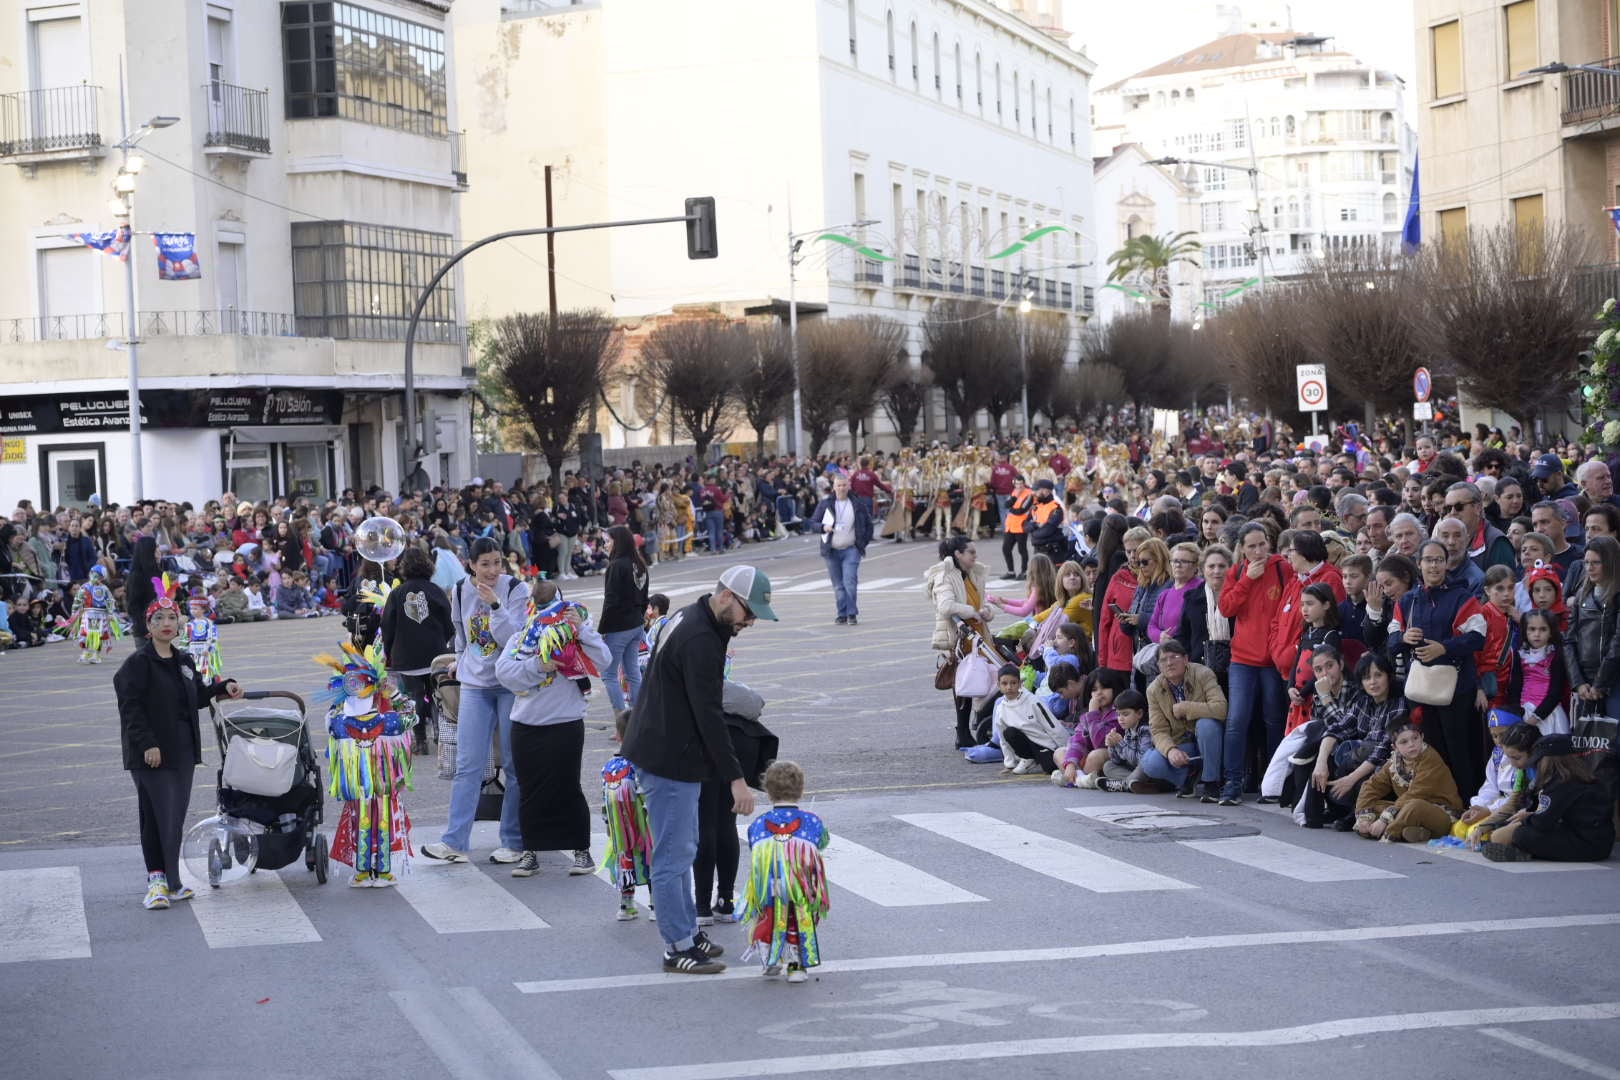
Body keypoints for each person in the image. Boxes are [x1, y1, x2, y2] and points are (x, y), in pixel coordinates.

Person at [621, 564, 776, 975]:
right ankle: (677, 946)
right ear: (727, 596)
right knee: (673, 856)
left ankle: (687, 931)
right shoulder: (700, 639)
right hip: (669, 755)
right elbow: (709, 715)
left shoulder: (694, 617)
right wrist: (737, 779)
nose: (751, 621)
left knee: (683, 848)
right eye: (749, 611)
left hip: (666, 746)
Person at [115, 587, 244, 909]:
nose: (167, 623)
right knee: (156, 816)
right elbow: (130, 709)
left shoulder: (183, 660)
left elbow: (196, 697)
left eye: (172, 617)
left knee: (173, 817)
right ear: (148, 625)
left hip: (182, 750)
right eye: (159, 618)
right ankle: (156, 881)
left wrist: (222, 688)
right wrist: (147, 744)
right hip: (152, 753)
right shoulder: (138, 664)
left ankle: (173, 881)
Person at [420, 537, 530, 866]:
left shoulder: (515, 590)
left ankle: (513, 841)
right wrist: (460, 660)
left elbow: (513, 639)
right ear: (471, 564)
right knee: (468, 765)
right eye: (485, 564)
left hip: (509, 684)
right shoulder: (459, 590)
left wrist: (495, 605)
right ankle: (454, 841)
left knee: (513, 765)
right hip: (474, 686)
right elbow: (460, 634)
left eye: (497, 562)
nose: (493, 570)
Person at [495, 580, 611, 879]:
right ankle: (530, 852)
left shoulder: (577, 634)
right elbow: (505, 673)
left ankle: (580, 851)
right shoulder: (522, 638)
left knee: (567, 787)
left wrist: (582, 630)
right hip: (526, 724)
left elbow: (605, 660)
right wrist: (539, 666)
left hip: (565, 722)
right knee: (528, 789)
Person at [1388, 539, 1490, 799]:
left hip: (1456, 688)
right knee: (1428, 749)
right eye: (1428, 560)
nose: (1434, 565)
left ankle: (1465, 803)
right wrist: (1403, 639)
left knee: (1457, 749)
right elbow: (1391, 641)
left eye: (1439, 560)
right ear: (1418, 564)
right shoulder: (1408, 600)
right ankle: (1435, 802)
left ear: (1447, 563)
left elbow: (1477, 637)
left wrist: (1443, 648)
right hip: (1420, 689)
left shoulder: (1462, 596)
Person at [318, 640, 419, 887]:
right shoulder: (388, 722)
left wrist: (341, 697)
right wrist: (392, 693)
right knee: (383, 822)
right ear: (375, 695)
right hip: (383, 785)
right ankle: (382, 872)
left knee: (360, 822)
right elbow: (412, 714)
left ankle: (362, 872)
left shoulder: (340, 725)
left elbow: (329, 716)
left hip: (357, 787)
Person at [696, 675, 778, 926]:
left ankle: (701, 907)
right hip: (746, 740)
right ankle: (725, 901)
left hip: (710, 740)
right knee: (725, 822)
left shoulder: (686, 672)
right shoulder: (724, 678)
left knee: (705, 823)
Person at [1217, 522, 1290, 805]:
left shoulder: (1282, 568)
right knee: (1237, 721)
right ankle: (1232, 783)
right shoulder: (1237, 571)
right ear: (1243, 549)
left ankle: (1272, 783)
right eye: (1252, 546)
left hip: (1272, 660)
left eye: (1262, 544)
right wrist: (1247, 579)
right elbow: (1226, 608)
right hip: (1243, 660)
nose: (1258, 551)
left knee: (1274, 720)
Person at [741, 761, 830, 984]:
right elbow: (822, 841)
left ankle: (770, 960)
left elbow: (754, 844)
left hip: (769, 884)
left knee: (768, 917)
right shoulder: (811, 821)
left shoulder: (759, 823)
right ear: (801, 790)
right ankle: (795, 966)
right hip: (800, 884)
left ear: (768, 791)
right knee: (795, 921)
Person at [1481, 733, 1616, 863]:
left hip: (1587, 847)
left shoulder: (1561, 783)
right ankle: (1524, 850)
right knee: (1515, 829)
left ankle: (1524, 851)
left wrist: (1521, 822)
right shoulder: (1581, 776)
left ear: (1548, 760)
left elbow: (1541, 823)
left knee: (1521, 835)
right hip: (1600, 843)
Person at [380, 546, 454, 756]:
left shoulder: (396, 593)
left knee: (416, 696)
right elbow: (449, 622)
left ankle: (420, 739)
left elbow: (388, 626)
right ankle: (441, 735)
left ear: (404, 567)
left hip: (407, 653)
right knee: (438, 694)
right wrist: (445, 641)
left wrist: (389, 651)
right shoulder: (436, 591)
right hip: (434, 652)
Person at [927, 537, 996, 749]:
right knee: (964, 684)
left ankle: (975, 725)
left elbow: (982, 603)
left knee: (980, 681)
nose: (975, 556)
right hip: (959, 638)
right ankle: (964, 732)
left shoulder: (973, 574)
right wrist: (973, 612)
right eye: (971, 552)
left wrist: (986, 612)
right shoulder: (945, 575)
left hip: (977, 635)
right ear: (958, 554)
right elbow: (946, 605)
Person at [1138, 638, 1227, 798]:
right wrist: (1170, 750)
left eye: (1174, 657)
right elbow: (1158, 730)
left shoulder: (1203, 673)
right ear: (1158, 666)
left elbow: (1221, 708)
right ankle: (1188, 778)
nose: (1169, 663)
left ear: (1185, 659)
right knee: (1150, 763)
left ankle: (1211, 782)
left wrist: (1187, 707)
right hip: (1183, 746)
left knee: (1207, 724)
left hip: (1209, 743)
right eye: (1163, 660)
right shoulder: (1153, 690)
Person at [1353, 723, 1466, 843]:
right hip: (1405, 809)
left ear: (1422, 737)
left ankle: (1389, 831)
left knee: (1415, 806)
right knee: (1374, 805)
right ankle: (1414, 832)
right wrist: (1363, 817)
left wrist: (1383, 820)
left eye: (1415, 738)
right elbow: (1373, 785)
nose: (1411, 744)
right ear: (1395, 747)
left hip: (1441, 815)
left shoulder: (1430, 759)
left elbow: (1416, 794)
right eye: (1404, 742)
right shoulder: (1395, 761)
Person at [600, 710, 653, 921]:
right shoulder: (640, 766)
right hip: (643, 825)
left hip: (619, 827)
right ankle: (655, 904)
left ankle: (626, 905)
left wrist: (608, 825)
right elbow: (648, 797)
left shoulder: (609, 767)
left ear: (619, 736)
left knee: (625, 858)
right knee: (650, 858)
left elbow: (605, 799)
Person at [1563, 535, 1620, 720]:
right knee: (1586, 746)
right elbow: (1569, 640)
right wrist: (1578, 682)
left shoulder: (1616, 596)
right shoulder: (1582, 595)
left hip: (1614, 681)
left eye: (1596, 562)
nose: (1589, 568)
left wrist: (1600, 683)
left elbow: (1617, 644)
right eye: (1586, 562)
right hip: (1585, 684)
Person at [598, 525, 651, 713]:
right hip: (636, 624)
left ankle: (622, 721)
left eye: (607, 541)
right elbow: (645, 597)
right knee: (633, 673)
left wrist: (603, 630)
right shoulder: (640, 564)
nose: (605, 545)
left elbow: (611, 601)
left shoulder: (616, 566)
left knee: (608, 674)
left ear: (617, 542)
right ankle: (636, 717)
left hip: (619, 627)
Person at [812, 473, 873, 626]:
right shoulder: (826, 504)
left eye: (844, 485)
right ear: (834, 487)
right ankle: (842, 613)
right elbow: (812, 523)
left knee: (850, 582)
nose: (842, 488)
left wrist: (861, 544)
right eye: (838, 485)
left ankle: (852, 613)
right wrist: (822, 527)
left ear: (849, 485)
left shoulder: (857, 503)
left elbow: (868, 525)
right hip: (831, 551)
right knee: (838, 586)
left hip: (851, 549)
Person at [991, 662, 1065, 774]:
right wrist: (1009, 764)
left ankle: (1042, 758)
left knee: (1050, 768)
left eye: (1013, 683)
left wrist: (1068, 749)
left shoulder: (1032, 701)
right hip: (1025, 746)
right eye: (1004, 684)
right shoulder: (1001, 709)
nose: (1009, 687)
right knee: (1008, 732)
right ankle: (1028, 759)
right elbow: (1003, 740)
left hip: (1043, 743)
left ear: (1020, 683)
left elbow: (1052, 725)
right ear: (999, 685)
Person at [1514, 609, 1569, 735]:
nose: (1537, 634)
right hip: (1524, 711)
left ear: (1550, 632)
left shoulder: (1555, 655)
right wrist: (1518, 713)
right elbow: (1515, 686)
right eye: (1532, 629)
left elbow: (1556, 692)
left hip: (1547, 713)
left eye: (1543, 629)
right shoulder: (1521, 655)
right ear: (1525, 631)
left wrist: (1537, 716)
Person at [67, 563, 120, 664]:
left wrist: (110, 613)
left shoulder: (104, 589)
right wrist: (74, 613)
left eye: (98, 575)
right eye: (93, 573)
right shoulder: (84, 587)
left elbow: (110, 601)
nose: (95, 577)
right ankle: (85, 652)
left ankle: (96, 654)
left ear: (102, 577)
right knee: (84, 634)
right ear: (90, 573)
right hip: (87, 613)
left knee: (97, 635)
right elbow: (77, 600)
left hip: (100, 614)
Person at [1000, 476, 1034, 579]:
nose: (1018, 486)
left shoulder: (1029, 494)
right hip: (1010, 526)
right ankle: (1011, 571)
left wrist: (1011, 508)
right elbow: (1006, 504)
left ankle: (1024, 571)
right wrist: (1015, 498)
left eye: (1020, 484)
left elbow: (1021, 510)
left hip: (1021, 526)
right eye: (1017, 484)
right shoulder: (1014, 492)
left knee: (1022, 549)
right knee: (1006, 548)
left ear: (1024, 483)